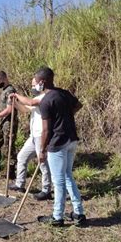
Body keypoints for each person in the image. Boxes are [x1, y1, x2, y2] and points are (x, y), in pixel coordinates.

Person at [34, 67, 86, 227]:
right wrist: (65, 117)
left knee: (59, 180)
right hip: (71, 139)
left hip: (57, 143)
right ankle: (78, 213)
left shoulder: (46, 101)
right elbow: (78, 105)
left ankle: (57, 217)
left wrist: (42, 150)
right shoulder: (64, 93)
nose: (35, 85)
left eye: (36, 82)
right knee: (68, 175)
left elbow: (46, 130)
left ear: (42, 82)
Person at [8, 76, 52, 199]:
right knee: (21, 156)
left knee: (43, 163)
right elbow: (25, 109)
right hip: (33, 135)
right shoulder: (37, 98)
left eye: (34, 85)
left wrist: (16, 95)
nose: (33, 88)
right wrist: (14, 102)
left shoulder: (45, 98)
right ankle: (19, 184)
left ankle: (46, 190)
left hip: (41, 135)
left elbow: (30, 102)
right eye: (32, 85)